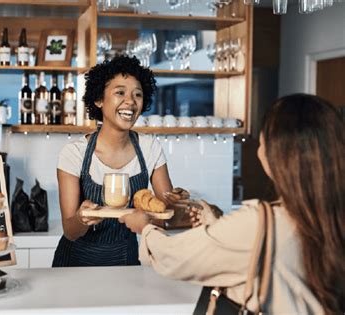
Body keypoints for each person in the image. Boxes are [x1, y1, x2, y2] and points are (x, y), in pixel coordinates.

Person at [120, 94, 345, 314]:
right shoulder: (331, 217)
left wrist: (145, 228)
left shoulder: (259, 222)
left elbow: (176, 257)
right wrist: (217, 225)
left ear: (276, 153)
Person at [52, 55, 187, 267]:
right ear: (98, 99)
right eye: (120, 92)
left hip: (126, 261)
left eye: (138, 95)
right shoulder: (74, 153)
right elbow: (70, 231)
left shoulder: (150, 148)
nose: (131, 102)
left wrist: (176, 202)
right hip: (75, 265)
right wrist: (81, 218)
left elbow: (165, 218)